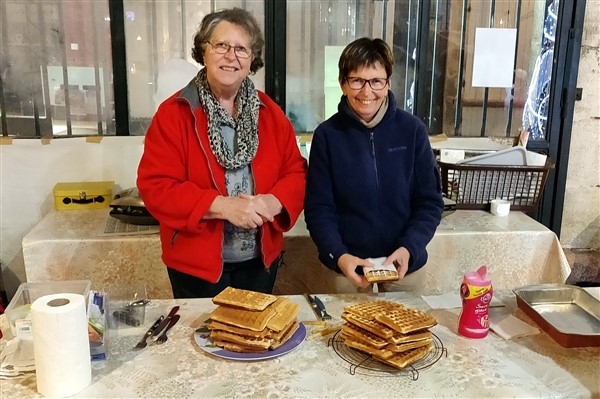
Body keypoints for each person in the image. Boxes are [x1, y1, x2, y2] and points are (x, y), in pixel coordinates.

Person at [137, 8, 307, 298]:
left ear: (252, 59)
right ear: (203, 52)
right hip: (196, 266)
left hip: (259, 263)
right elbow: (156, 187)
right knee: (202, 340)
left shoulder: (271, 113)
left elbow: (296, 171)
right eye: (221, 46)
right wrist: (221, 206)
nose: (232, 56)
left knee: (252, 339)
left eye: (242, 48)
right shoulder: (173, 114)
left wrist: (274, 201)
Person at [304, 37, 443, 293]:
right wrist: (339, 255)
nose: (367, 92)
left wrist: (409, 248)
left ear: (388, 82)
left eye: (376, 81)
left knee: (406, 331)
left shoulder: (411, 130)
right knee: (344, 332)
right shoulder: (327, 135)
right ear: (343, 84)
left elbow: (430, 203)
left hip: (404, 266)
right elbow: (319, 209)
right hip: (350, 268)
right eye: (356, 80)